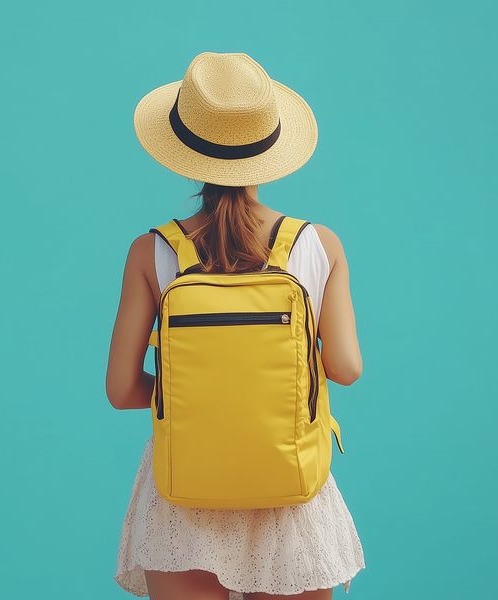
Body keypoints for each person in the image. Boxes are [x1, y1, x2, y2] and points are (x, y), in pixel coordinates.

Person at [106, 53, 365, 600]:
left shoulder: (150, 252)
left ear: (186, 153)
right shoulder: (318, 245)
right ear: (270, 150)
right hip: (288, 478)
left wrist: (199, 391)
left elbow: (122, 390)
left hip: (185, 487)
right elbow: (344, 369)